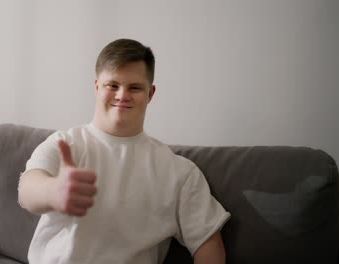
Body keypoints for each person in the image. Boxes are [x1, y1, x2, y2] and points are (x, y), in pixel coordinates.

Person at [18, 38, 230, 264]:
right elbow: (27, 191)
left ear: (150, 94)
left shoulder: (180, 172)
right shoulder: (65, 143)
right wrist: (53, 191)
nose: (122, 95)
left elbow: (209, 245)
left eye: (135, 87)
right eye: (113, 85)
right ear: (97, 86)